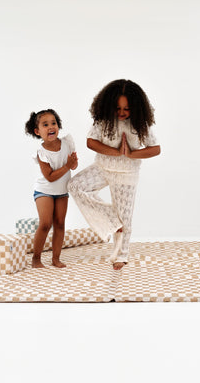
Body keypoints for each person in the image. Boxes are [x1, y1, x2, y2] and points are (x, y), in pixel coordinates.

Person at [68, 79, 160, 270]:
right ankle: (111, 222)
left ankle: (121, 255)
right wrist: (116, 152)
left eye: (127, 109)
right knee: (75, 186)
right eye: (117, 108)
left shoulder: (140, 124)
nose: (122, 113)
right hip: (103, 167)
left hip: (127, 174)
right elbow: (91, 142)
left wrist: (131, 154)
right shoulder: (103, 121)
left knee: (125, 217)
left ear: (136, 107)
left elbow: (155, 149)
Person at [25, 109, 78, 268]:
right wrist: (67, 166)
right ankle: (36, 258)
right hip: (44, 191)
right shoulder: (41, 153)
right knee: (46, 224)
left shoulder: (67, 143)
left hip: (62, 191)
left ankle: (56, 258)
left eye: (53, 123)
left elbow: (73, 165)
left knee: (60, 223)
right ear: (37, 131)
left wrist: (73, 163)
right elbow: (49, 176)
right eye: (45, 125)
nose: (51, 127)